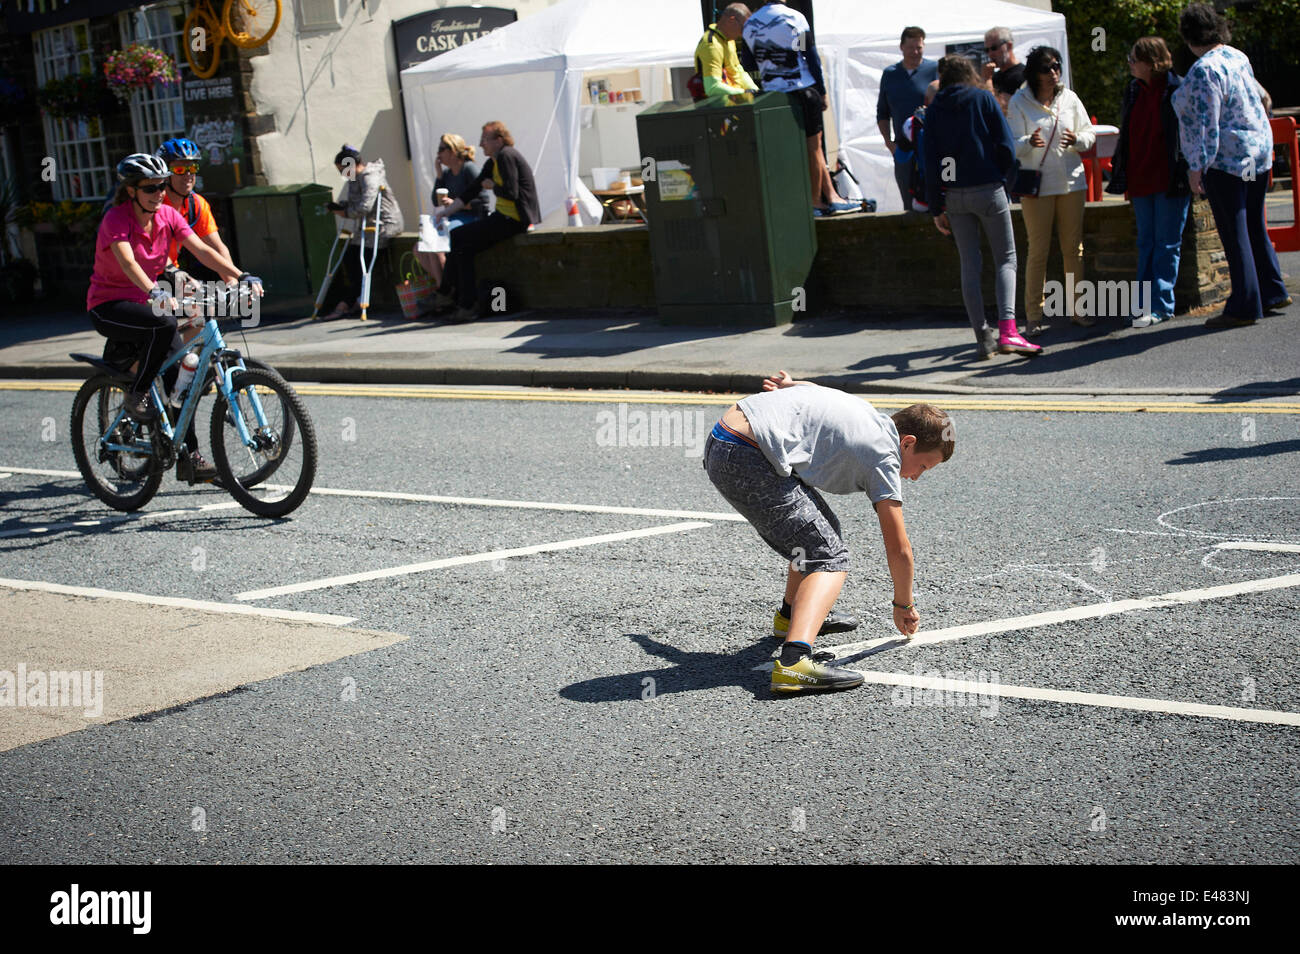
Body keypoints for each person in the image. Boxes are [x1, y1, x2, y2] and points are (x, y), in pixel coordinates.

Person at [703, 370, 952, 694]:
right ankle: (794, 663)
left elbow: (816, 390)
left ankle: (790, 616)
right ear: (908, 443)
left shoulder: (866, 413)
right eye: (923, 466)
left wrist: (790, 385)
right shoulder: (883, 455)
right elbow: (898, 548)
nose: (917, 476)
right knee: (829, 556)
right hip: (746, 455)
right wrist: (903, 604)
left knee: (820, 531)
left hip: (724, 439)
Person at [86, 153, 246, 482]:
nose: (159, 193)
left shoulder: (168, 215)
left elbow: (202, 250)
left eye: (161, 186)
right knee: (164, 323)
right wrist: (155, 292)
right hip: (109, 304)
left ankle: (190, 457)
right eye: (150, 188)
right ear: (131, 191)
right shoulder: (116, 219)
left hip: (146, 302)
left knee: (179, 381)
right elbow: (129, 263)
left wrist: (240, 276)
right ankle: (137, 392)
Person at [1173, 3, 1289, 328]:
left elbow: (1206, 124)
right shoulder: (1238, 56)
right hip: (1258, 151)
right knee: (1254, 225)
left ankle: (1244, 305)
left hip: (1228, 159)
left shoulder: (1203, 70)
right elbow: (1262, 97)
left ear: (1189, 35)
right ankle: (1272, 290)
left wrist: (1197, 165)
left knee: (1234, 230)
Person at [926, 56, 1038, 358]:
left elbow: (930, 161)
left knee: (969, 265)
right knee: (1006, 259)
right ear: (970, 74)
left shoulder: (935, 109)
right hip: (988, 188)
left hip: (955, 195)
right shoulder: (982, 99)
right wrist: (1007, 180)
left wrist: (936, 207)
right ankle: (1009, 332)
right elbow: (1005, 146)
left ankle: (982, 337)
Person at [1007, 46, 1095, 335]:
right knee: (1038, 250)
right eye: (1046, 68)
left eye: (1056, 66)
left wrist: (1078, 139)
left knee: (1073, 249)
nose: (1053, 72)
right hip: (1038, 185)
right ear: (1034, 73)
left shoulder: (1069, 98)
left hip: (1071, 181)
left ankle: (1078, 310)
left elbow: (1089, 135)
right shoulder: (1020, 101)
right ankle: (1033, 316)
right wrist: (1028, 142)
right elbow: (1011, 146)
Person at [1105, 37, 1191, 328]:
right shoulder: (1132, 90)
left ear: (1151, 62)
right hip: (1141, 178)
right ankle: (1142, 305)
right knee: (1146, 242)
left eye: (1134, 58)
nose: (1129, 63)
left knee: (1167, 243)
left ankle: (1161, 305)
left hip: (1169, 177)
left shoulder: (1177, 88)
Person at [743, 1, 857, 216]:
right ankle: (815, 202)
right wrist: (821, 90)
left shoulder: (750, 24)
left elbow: (748, 65)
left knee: (793, 149)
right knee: (814, 148)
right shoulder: (793, 18)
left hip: (772, 95)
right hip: (802, 89)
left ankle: (831, 196)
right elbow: (809, 55)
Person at [429, 121, 539, 324]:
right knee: (464, 249)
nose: (481, 145)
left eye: (485, 140)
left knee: (459, 236)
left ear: (499, 140)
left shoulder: (506, 155)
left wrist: (493, 187)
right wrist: (445, 212)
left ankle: (447, 292)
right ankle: (465, 303)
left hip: (515, 220)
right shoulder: (493, 162)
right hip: (503, 217)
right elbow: (470, 191)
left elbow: (512, 192)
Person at [321, 145, 405, 319]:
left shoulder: (370, 177)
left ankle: (347, 303)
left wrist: (343, 212)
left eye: (342, 169)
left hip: (383, 226)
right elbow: (354, 204)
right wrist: (340, 206)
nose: (342, 174)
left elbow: (364, 207)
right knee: (350, 259)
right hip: (366, 229)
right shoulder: (354, 179)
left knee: (361, 262)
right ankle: (351, 301)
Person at [416, 133, 491, 299]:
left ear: (453, 151)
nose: (438, 154)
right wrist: (439, 176)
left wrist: (457, 203)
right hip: (453, 219)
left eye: (441, 149)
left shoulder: (469, 169)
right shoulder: (448, 174)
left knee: (438, 246)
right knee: (420, 248)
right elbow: (435, 202)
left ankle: (446, 292)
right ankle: (444, 288)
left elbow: (483, 202)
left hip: (471, 218)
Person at [877, 27, 939, 211]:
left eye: (919, 47)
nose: (915, 52)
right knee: (908, 197)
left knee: (937, 193)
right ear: (901, 47)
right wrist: (889, 143)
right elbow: (882, 112)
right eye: (911, 47)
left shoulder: (934, 69)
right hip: (904, 149)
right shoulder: (890, 74)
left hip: (932, 147)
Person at [694, 4, 759, 99]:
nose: (743, 34)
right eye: (743, 29)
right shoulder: (711, 45)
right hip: (717, 108)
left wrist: (755, 91)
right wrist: (745, 92)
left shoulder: (729, 40)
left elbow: (737, 69)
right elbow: (712, 88)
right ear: (731, 21)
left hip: (733, 104)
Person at [982, 26, 1025, 114]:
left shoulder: (1022, 75)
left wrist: (987, 80)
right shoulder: (995, 76)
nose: (990, 54)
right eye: (987, 50)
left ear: (1009, 46)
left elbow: (997, 108)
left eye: (994, 48)